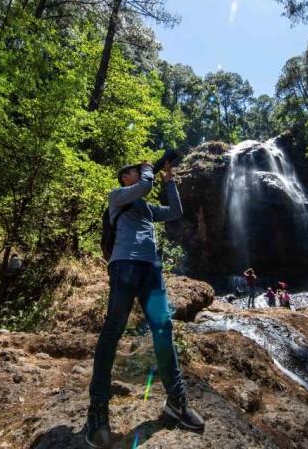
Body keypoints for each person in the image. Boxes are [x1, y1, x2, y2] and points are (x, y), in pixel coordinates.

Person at [86, 160, 204, 448]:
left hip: (151, 270)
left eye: (141, 170)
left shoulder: (147, 209)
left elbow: (175, 211)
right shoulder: (116, 196)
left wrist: (169, 181)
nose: (141, 173)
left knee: (163, 330)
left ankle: (177, 404)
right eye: (136, 170)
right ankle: (98, 414)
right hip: (124, 266)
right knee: (112, 331)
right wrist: (149, 171)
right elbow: (144, 186)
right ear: (126, 177)